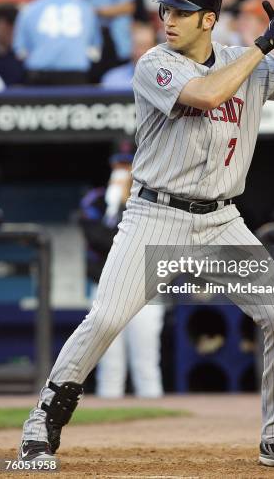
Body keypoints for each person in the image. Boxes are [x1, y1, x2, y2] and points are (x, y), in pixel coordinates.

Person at [18, 0, 274, 468]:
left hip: (221, 223)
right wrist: (261, 47)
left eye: (182, 13)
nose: (169, 19)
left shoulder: (239, 60)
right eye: (167, 9)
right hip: (154, 217)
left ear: (208, 19)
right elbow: (208, 94)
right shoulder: (154, 63)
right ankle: (41, 424)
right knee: (105, 319)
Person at [80, 152, 164, 398]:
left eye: (128, 164)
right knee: (109, 365)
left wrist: (129, 200)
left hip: (147, 287)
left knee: (146, 363)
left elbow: (152, 239)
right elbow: (97, 239)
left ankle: (159, 431)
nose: (123, 170)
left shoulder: (156, 195)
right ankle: (111, 435)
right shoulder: (96, 200)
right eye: (119, 164)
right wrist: (113, 205)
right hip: (105, 286)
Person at [13, 0, 101, 85]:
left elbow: (20, 51)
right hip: (75, 72)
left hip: (39, 73)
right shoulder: (85, 7)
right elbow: (95, 50)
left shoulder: (29, 9)